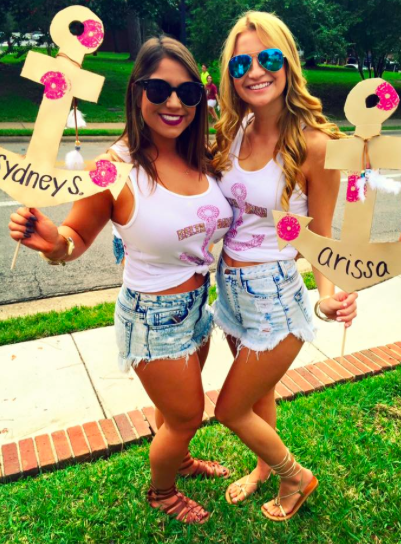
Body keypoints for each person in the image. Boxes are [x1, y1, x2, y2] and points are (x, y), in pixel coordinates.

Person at [9, 36, 233, 525]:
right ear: (137, 94)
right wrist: (55, 242)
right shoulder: (115, 167)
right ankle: (163, 492)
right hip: (152, 318)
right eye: (159, 89)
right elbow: (75, 236)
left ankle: (181, 458)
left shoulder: (202, 156)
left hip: (198, 305)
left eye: (188, 93)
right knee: (188, 413)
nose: (174, 102)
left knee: (176, 414)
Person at [211, 11, 358, 521]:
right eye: (241, 62)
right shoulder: (236, 127)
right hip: (228, 287)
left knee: (229, 410)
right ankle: (261, 468)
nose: (255, 71)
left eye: (268, 58)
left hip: (274, 295)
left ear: (288, 64)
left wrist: (327, 293)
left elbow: (321, 232)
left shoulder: (318, 144)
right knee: (258, 396)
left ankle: (295, 477)